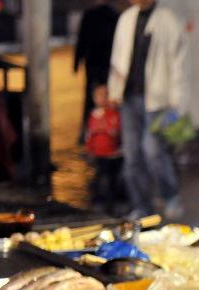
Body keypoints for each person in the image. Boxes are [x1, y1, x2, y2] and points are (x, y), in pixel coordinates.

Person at [108, 0, 187, 219]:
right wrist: (114, 91)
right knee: (132, 154)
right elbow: (117, 57)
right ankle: (142, 205)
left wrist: (175, 101)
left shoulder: (168, 19)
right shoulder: (126, 18)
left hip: (158, 99)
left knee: (153, 151)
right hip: (129, 96)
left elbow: (178, 63)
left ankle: (171, 196)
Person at [74, 0, 119, 144]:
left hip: (94, 65)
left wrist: (76, 62)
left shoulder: (90, 15)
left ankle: (90, 132)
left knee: (91, 99)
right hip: (108, 65)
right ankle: (107, 131)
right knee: (107, 98)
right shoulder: (115, 16)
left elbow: (81, 40)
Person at [85, 84, 122, 211]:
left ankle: (115, 201)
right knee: (99, 177)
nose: (102, 98)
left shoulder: (114, 114)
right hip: (99, 154)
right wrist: (90, 150)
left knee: (113, 178)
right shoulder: (94, 116)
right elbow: (90, 134)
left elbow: (116, 131)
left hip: (112, 154)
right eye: (99, 96)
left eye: (105, 95)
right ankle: (99, 200)